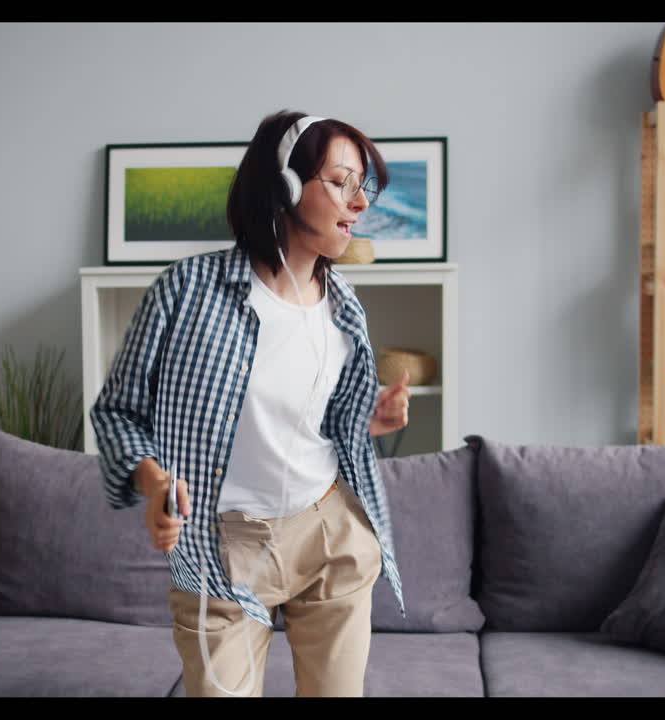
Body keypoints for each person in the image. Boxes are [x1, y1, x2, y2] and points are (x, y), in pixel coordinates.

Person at [91, 110, 410, 697]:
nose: (360, 202)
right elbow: (118, 412)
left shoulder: (345, 307)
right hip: (224, 550)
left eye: (363, 185)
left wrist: (368, 422)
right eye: (341, 182)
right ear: (285, 187)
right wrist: (154, 479)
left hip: (329, 533)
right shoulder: (185, 290)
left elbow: (318, 424)